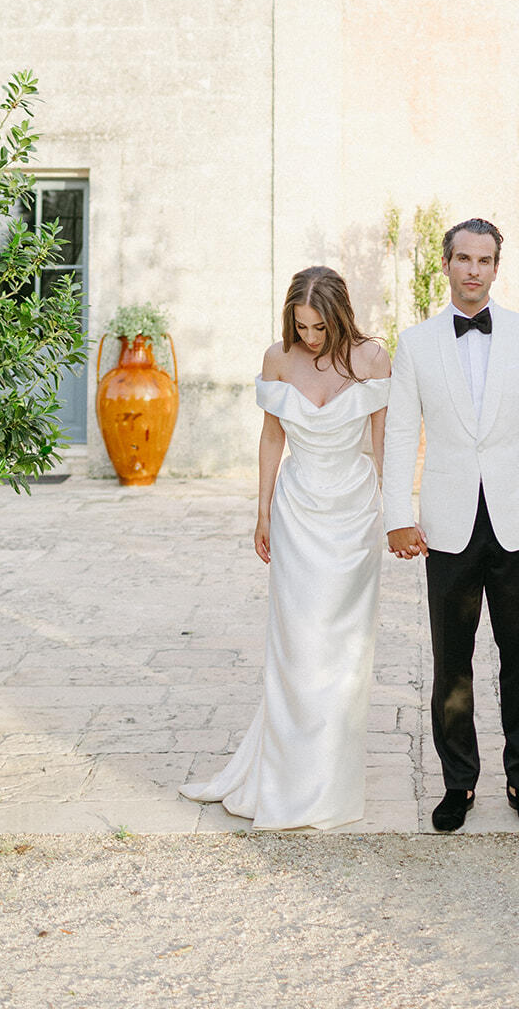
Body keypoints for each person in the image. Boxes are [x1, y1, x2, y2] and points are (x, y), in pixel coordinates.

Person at [181, 266, 390, 830]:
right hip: (297, 512)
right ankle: (286, 775)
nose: (311, 338)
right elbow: (272, 435)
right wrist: (262, 510)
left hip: (354, 514)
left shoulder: (372, 359)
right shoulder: (277, 359)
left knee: (343, 648)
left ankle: (329, 782)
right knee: (297, 643)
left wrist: (395, 512)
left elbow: (384, 440)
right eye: (301, 327)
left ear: (341, 317)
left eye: (320, 327)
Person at [382, 218, 519, 832]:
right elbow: (400, 433)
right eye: (463, 258)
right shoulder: (416, 343)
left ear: (496, 268)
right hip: (447, 524)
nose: (473, 270)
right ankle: (457, 784)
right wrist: (397, 516)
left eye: (484, 260)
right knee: (451, 662)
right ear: (447, 264)